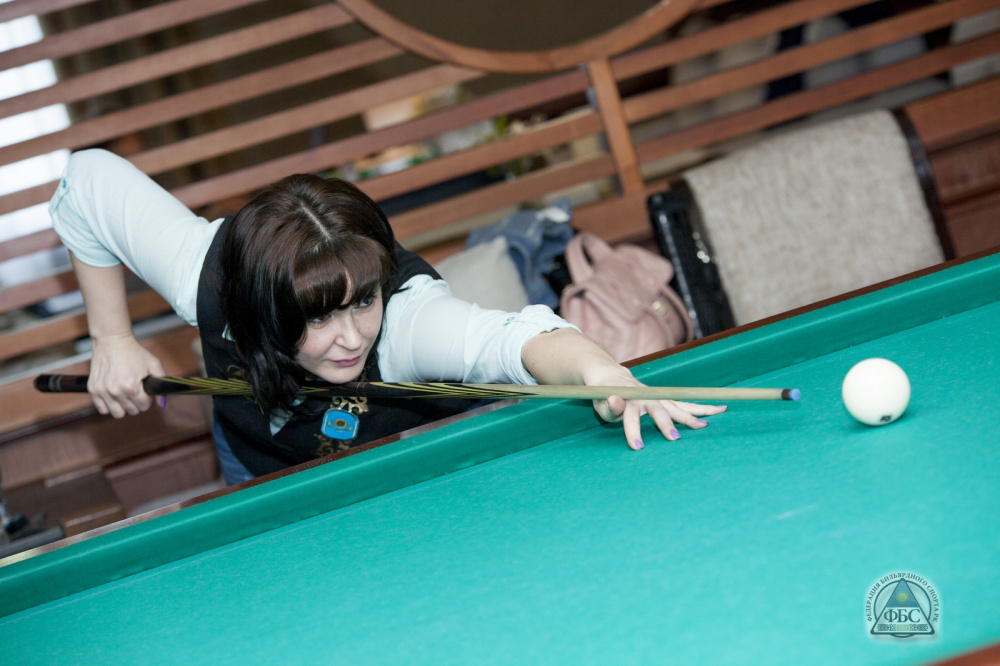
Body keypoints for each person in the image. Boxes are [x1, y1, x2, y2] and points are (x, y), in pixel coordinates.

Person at [50, 149, 726, 484]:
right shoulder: (205, 271)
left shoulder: (406, 323)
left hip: (414, 454)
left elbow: (514, 340)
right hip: (258, 453)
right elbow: (85, 179)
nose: (350, 338)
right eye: (317, 319)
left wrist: (605, 373)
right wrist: (112, 337)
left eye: (362, 302)